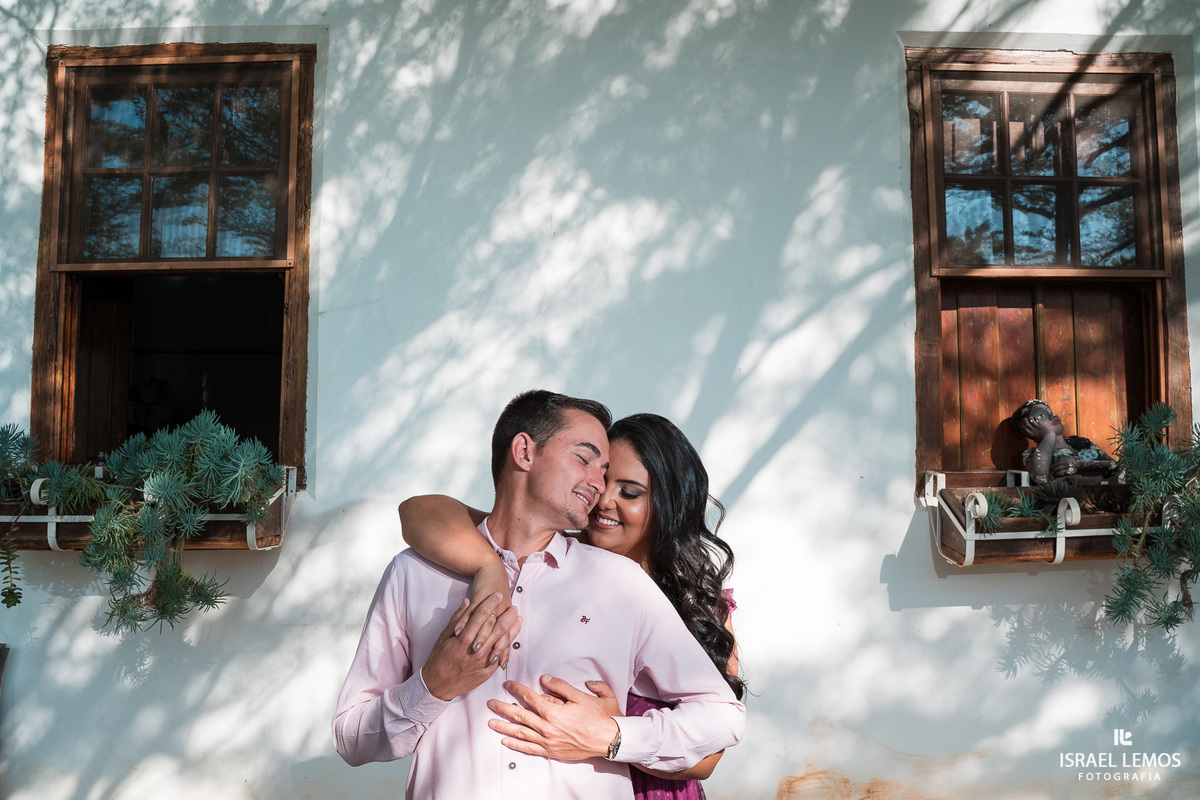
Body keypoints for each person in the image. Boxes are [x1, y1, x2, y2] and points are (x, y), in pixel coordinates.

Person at [332, 391, 745, 800]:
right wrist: (431, 686)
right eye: (586, 460)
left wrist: (613, 733)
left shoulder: (625, 585)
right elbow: (350, 739)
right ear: (525, 452)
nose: (600, 488)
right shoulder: (415, 572)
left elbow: (721, 718)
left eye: (616, 479)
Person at [1011, 399, 1119, 485]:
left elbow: (1117, 466)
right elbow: (1040, 479)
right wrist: (1049, 436)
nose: (1052, 416)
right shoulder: (1032, 455)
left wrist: (1081, 463)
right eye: (1041, 416)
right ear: (1028, 428)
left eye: (1050, 412)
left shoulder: (1081, 443)